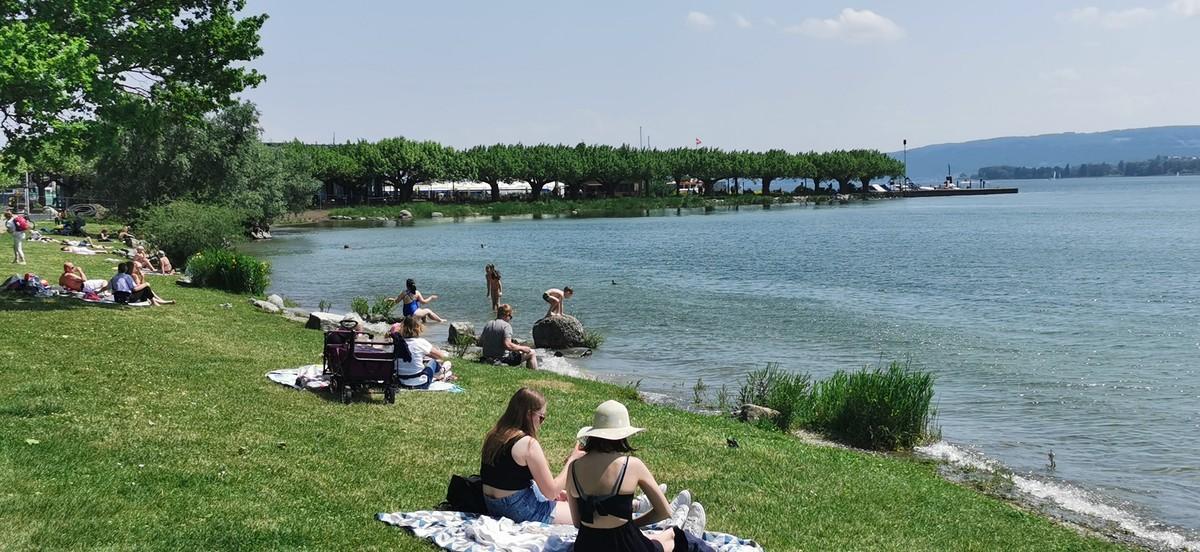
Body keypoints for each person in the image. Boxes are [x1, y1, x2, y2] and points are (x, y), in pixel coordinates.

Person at [568, 400, 710, 552]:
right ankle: (688, 531)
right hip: (626, 545)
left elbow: (577, 522)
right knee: (676, 537)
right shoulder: (631, 465)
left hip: (587, 545)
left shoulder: (573, 468)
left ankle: (676, 526)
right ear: (622, 435)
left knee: (660, 538)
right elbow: (663, 511)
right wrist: (630, 524)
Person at [480, 387, 584, 525]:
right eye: (541, 418)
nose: (542, 423)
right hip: (517, 509)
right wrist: (572, 460)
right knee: (582, 512)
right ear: (529, 415)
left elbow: (507, 476)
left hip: (492, 505)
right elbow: (551, 492)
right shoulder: (528, 444)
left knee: (564, 499)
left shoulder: (495, 435)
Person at [391, 315, 451, 389]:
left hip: (401, 381)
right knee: (433, 362)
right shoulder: (420, 342)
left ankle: (439, 375)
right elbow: (440, 356)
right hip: (421, 383)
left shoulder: (398, 343)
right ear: (418, 328)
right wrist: (432, 353)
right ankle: (441, 372)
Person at [479, 304, 537, 369]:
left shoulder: (488, 324)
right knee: (532, 352)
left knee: (517, 351)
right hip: (502, 359)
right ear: (507, 315)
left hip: (487, 357)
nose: (510, 319)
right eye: (510, 316)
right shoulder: (506, 326)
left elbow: (481, 342)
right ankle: (534, 374)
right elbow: (508, 345)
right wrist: (522, 348)